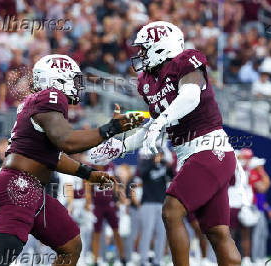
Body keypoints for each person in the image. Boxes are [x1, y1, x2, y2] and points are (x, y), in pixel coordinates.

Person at [89, 21, 241, 265]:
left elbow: (190, 96)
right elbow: (155, 124)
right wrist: (121, 145)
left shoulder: (186, 60)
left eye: (144, 48)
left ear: (162, 46)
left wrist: (161, 122)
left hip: (210, 148)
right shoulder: (147, 81)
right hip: (193, 154)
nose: (139, 54)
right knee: (217, 232)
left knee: (171, 211)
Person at [0, 54, 143, 266]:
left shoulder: (40, 102)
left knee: (71, 245)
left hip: (33, 187)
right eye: (73, 80)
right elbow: (67, 141)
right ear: (56, 80)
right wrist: (112, 128)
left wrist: (88, 173)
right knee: (2, 257)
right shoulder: (50, 97)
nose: (77, 86)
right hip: (18, 186)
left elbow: (52, 156)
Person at [137, 149, 172, 266]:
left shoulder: (164, 165)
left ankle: (157, 260)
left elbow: (172, 177)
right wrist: (153, 162)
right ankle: (143, 260)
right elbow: (143, 174)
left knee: (162, 232)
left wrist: (169, 166)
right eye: (157, 154)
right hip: (148, 202)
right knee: (147, 231)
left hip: (161, 203)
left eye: (160, 154)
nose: (159, 156)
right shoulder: (146, 163)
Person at [89, 162, 126, 266]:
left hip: (109, 203)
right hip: (97, 205)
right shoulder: (91, 168)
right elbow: (87, 186)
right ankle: (96, 259)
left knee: (116, 231)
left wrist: (119, 198)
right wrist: (88, 203)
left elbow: (116, 183)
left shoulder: (111, 166)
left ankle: (122, 258)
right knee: (96, 233)